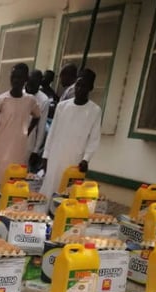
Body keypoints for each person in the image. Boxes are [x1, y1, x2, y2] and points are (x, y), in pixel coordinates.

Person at [40, 69, 102, 199]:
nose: (79, 89)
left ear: (90, 88)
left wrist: (86, 159)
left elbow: (94, 139)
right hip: (55, 158)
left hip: (75, 161)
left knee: (67, 197)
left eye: (84, 86)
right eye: (78, 85)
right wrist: (46, 156)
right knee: (48, 193)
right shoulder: (62, 106)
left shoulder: (95, 110)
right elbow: (52, 132)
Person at [0, 63, 40, 186]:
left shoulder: (30, 100)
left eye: (20, 77)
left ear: (26, 79)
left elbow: (37, 116)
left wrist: (26, 132)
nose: (16, 80)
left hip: (17, 154)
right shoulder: (0, 100)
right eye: (13, 77)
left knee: (12, 190)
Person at [25, 69, 50, 173]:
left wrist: (35, 150)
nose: (30, 86)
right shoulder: (20, 93)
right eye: (29, 82)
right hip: (14, 138)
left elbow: (41, 127)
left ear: (39, 83)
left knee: (21, 172)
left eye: (34, 83)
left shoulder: (43, 100)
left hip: (29, 141)